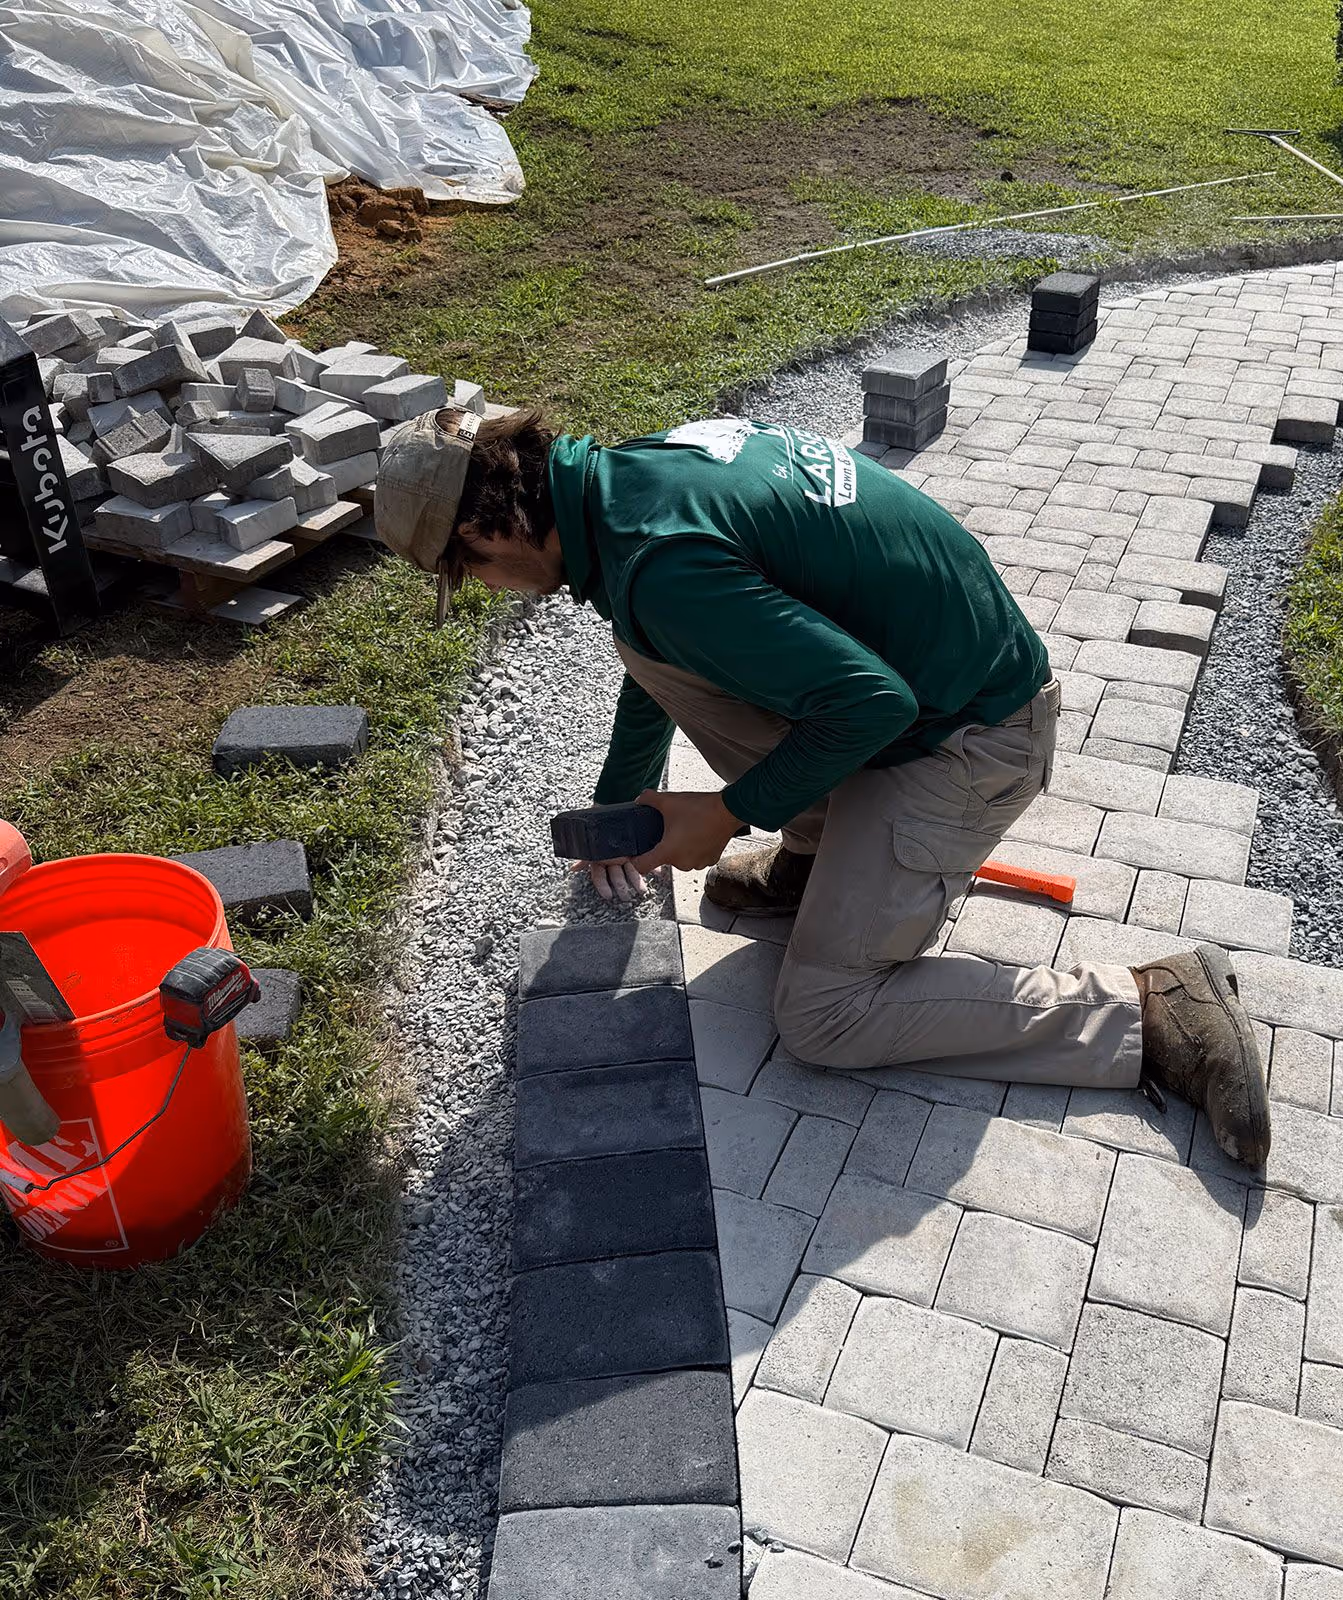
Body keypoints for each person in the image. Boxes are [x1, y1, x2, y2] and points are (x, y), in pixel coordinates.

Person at [374, 407, 1270, 1166]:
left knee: (824, 1017)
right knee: (657, 643)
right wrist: (628, 804)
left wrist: (725, 813)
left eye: (475, 573)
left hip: (971, 741)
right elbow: (659, 657)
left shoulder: (662, 567)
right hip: (928, 695)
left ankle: (1154, 1011)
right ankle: (815, 861)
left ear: (487, 529)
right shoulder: (626, 484)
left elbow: (868, 702)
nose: (490, 589)